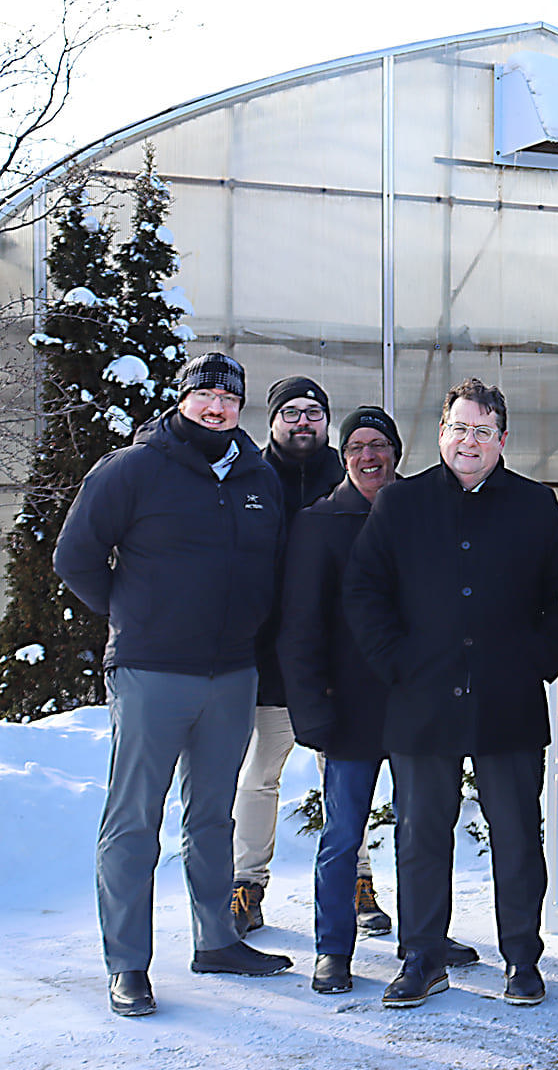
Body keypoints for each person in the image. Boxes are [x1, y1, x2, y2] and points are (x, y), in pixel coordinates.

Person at [55, 352, 291, 1017]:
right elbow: (74, 556)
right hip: (152, 672)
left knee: (213, 815)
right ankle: (128, 964)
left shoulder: (257, 477)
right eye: (204, 395)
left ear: (239, 407)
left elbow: (270, 567)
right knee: (134, 819)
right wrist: (136, 615)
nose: (216, 407)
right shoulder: (132, 469)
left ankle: (216, 940)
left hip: (231, 673)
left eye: (227, 397)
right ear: (181, 399)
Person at [344, 378, 558, 1009]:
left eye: (482, 431)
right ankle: (421, 956)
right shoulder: (400, 504)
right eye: (458, 429)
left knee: (517, 834)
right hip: (422, 702)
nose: (468, 442)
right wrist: (396, 663)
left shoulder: (535, 505)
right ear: (441, 433)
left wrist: (537, 660)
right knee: (421, 833)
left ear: (501, 439)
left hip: (508, 700)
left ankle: (522, 958)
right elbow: (365, 593)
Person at [280, 406, 405, 994]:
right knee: (342, 837)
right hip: (348, 709)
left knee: (422, 831)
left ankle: (424, 940)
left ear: (396, 452)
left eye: (378, 444)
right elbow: (299, 628)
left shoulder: (422, 511)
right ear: (343, 455)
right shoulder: (319, 522)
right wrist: (313, 711)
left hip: (415, 705)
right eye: (355, 446)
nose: (368, 455)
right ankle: (333, 948)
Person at [231, 376, 355, 938]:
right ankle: (246, 884)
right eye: (291, 413)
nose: (303, 422)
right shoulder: (249, 476)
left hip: (338, 665)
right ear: (272, 421)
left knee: (344, 775)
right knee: (258, 777)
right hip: (265, 661)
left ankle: (357, 881)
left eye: (313, 412)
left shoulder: (349, 475)